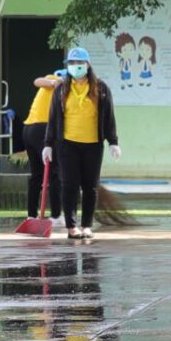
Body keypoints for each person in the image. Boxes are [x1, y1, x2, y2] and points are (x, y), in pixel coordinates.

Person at [47, 46, 119, 240]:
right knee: (69, 185)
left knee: (90, 186)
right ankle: (72, 227)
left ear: (87, 65)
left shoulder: (100, 88)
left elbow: (109, 116)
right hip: (67, 144)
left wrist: (113, 141)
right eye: (72, 63)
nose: (75, 66)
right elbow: (53, 118)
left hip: (93, 145)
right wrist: (48, 144)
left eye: (79, 62)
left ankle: (86, 225)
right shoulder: (61, 89)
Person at [21, 68, 67, 222]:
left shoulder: (51, 81)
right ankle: (56, 216)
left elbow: (37, 81)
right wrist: (56, 82)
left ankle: (31, 215)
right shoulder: (59, 84)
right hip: (43, 129)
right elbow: (37, 81)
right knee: (55, 173)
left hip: (28, 129)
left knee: (36, 175)